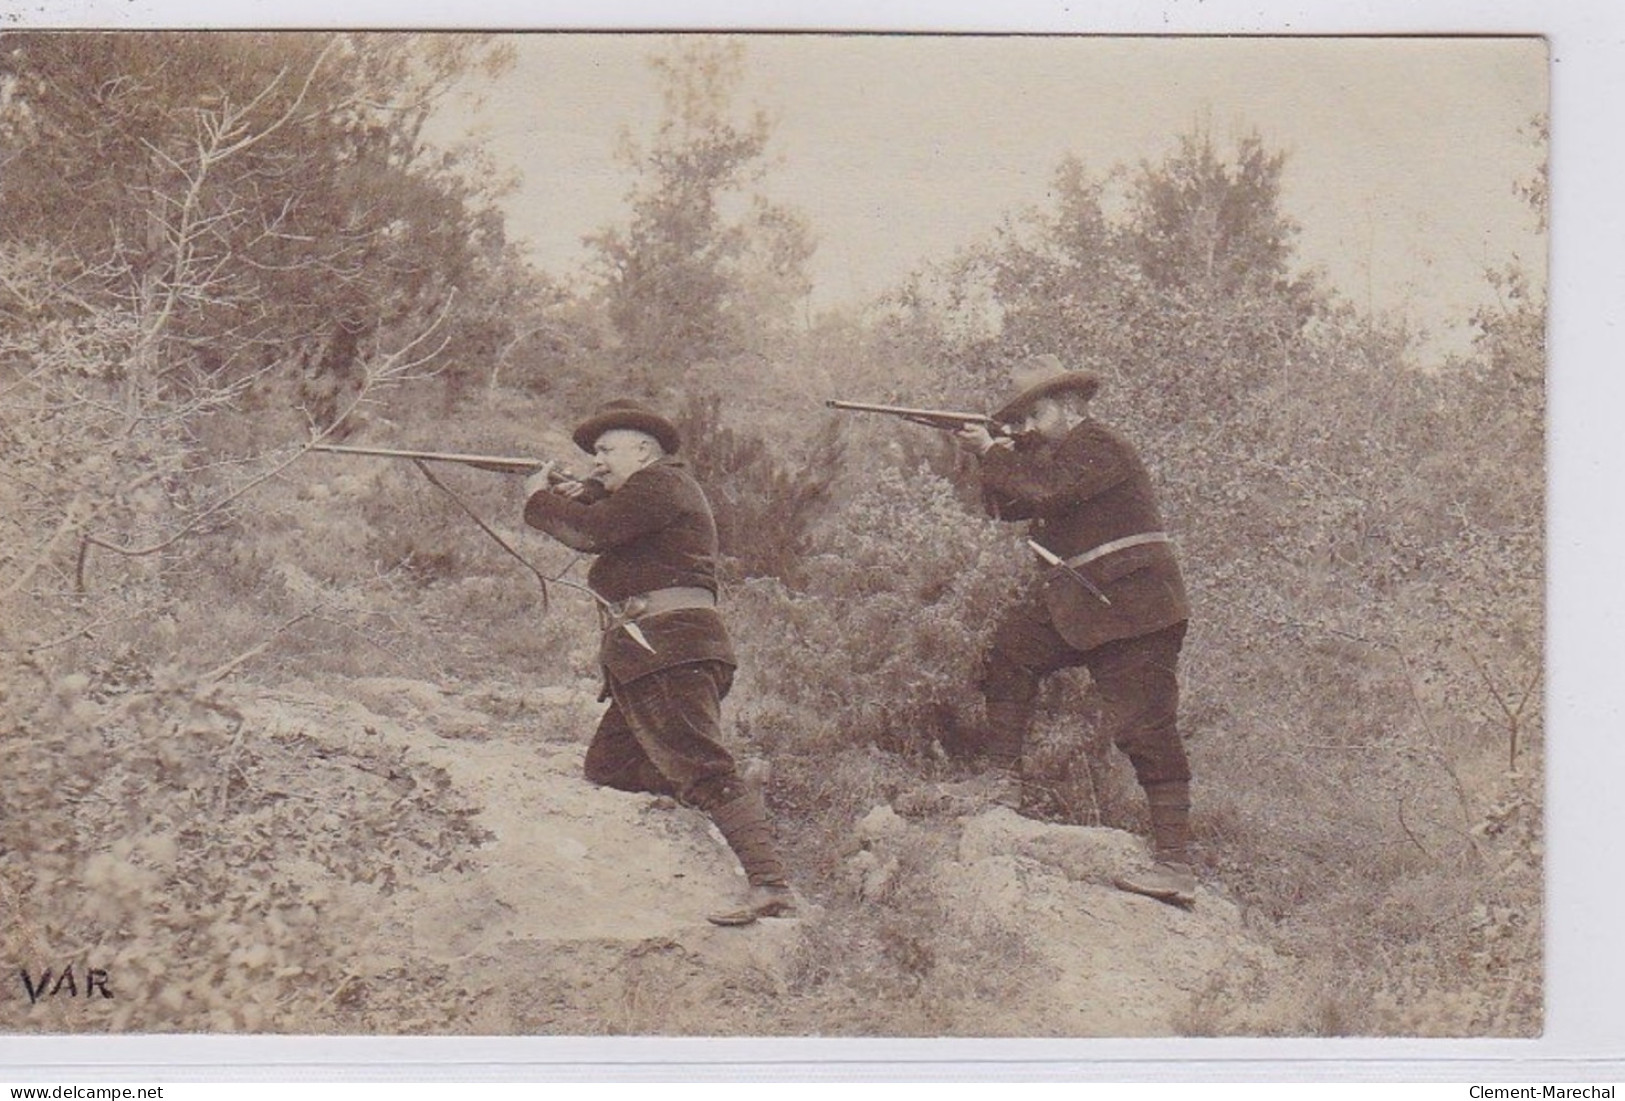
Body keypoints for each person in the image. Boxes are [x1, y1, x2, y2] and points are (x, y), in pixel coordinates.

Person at [521, 398, 795, 927]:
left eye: (605, 451)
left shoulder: (660, 484)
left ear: (643, 450)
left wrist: (540, 500)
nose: (596, 461)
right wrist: (585, 493)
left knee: (703, 767)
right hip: (651, 653)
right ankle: (740, 795)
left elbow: (591, 533)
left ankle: (770, 884)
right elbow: (606, 521)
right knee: (611, 767)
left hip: (669, 650)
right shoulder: (648, 492)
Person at [952, 355, 1198, 907]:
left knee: (1146, 729)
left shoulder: (1099, 444)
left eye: (1033, 415)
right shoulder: (1055, 454)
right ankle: (1002, 781)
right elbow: (1008, 506)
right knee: (1009, 653)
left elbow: (1047, 493)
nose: (1027, 427)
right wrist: (988, 457)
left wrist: (995, 451)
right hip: (1087, 602)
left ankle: (1175, 866)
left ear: (1066, 407)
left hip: (1136, 607)